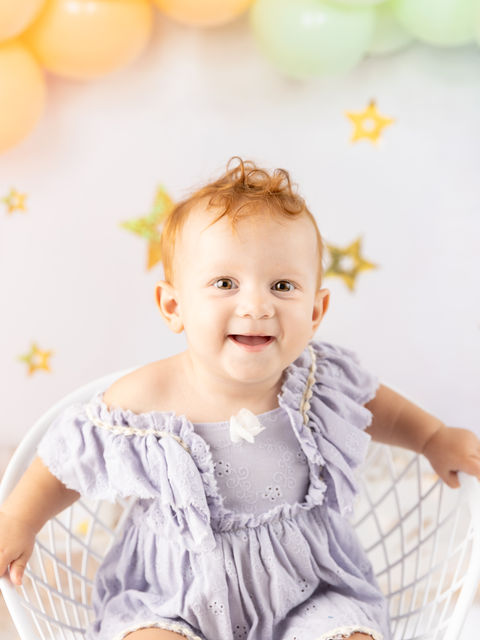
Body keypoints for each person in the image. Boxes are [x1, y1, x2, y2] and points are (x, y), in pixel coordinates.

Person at [1, 158, 480, 640]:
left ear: (316, 311)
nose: (256, 306)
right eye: (225, 284)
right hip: (175, 594)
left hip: (306, 587)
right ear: (174, 306)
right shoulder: (145, 400)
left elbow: (375, 405)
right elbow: (69, 461)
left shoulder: (318, 379)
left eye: (282, 286)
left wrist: (432, 436)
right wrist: (20, 518)